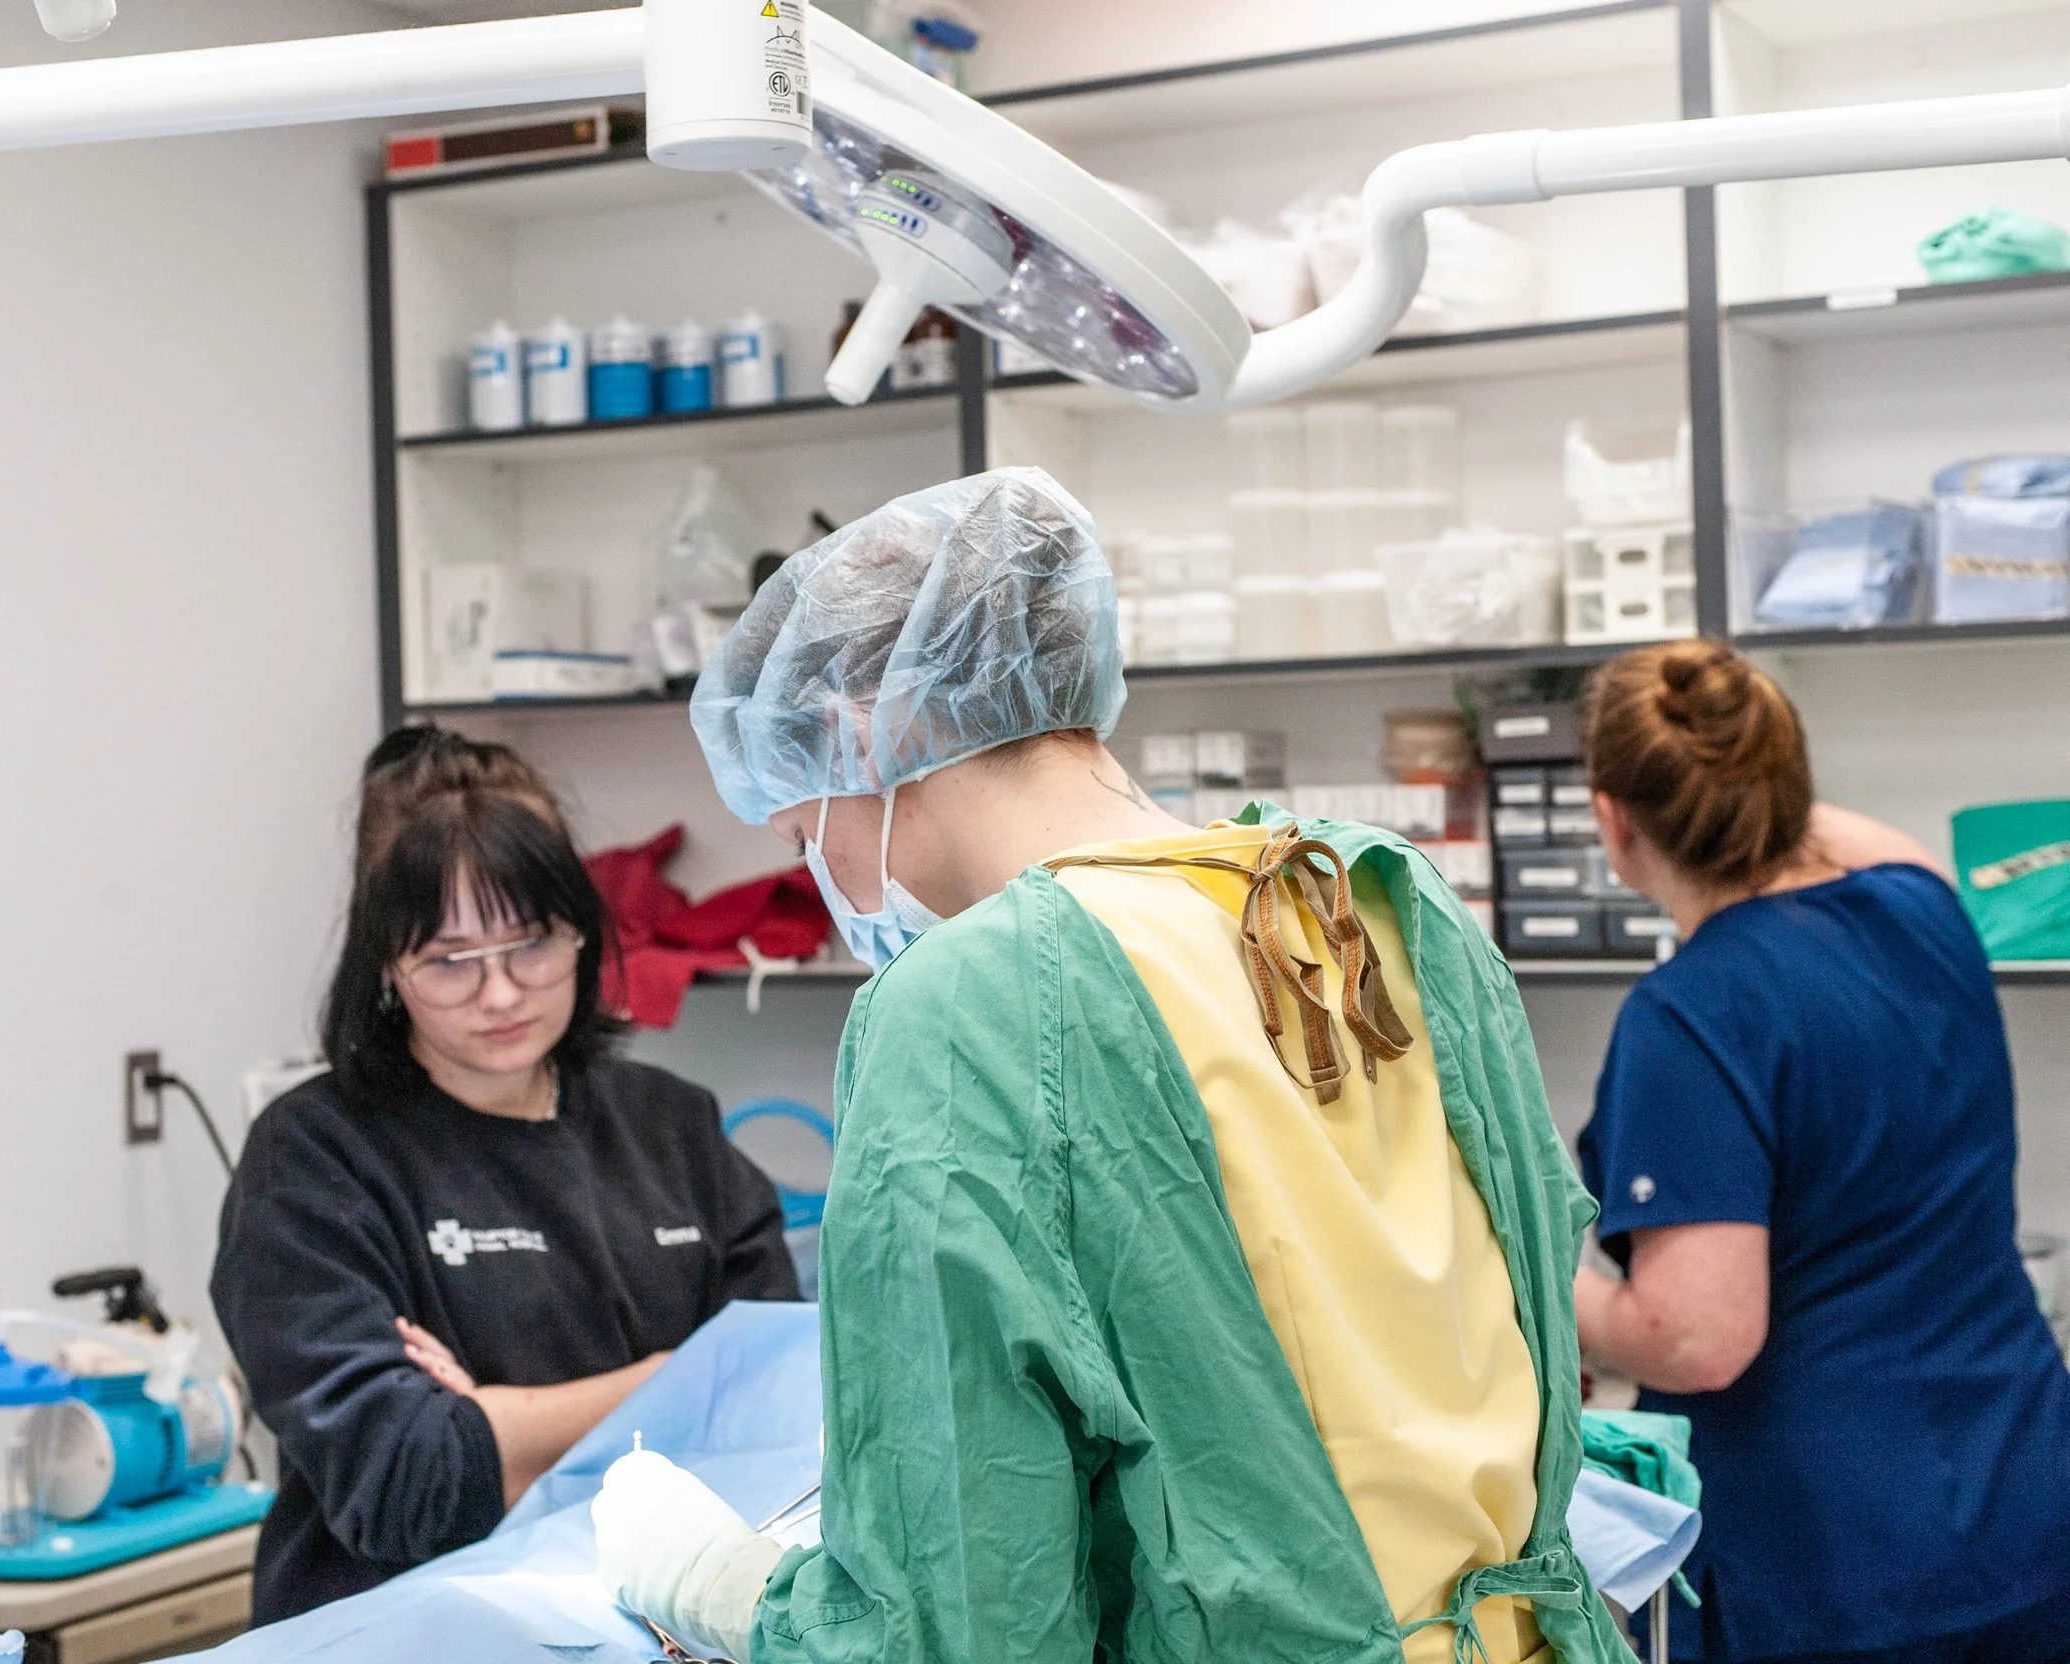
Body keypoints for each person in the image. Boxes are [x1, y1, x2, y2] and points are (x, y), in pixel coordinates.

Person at [590, 468, 1636, 1664]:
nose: (826, 877)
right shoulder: (1371, 895)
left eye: (801, 832)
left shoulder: (967, 999)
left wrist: (722, 1586)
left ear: (860, 728)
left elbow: (961, 1617)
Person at [212, 730, 799, 1625]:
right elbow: (406, 1481)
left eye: (531, 944)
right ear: (387, 964)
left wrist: (497, 1422)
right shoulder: (312, 1160)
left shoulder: (671, 1126)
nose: (499, 993)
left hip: (653, 1626)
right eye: (449, 961)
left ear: (580, 932)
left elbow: (777, 1408)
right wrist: (681, 1376)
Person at [1569, 641, 2070, 1664]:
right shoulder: (1922, 907)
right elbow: (1847, 835)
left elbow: (1698, 1338)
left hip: (1830, 1568)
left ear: (1613, 821)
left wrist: (1527, 1279)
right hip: (2022, 1497)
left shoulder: (1691, 1014)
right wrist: (1750, 766)